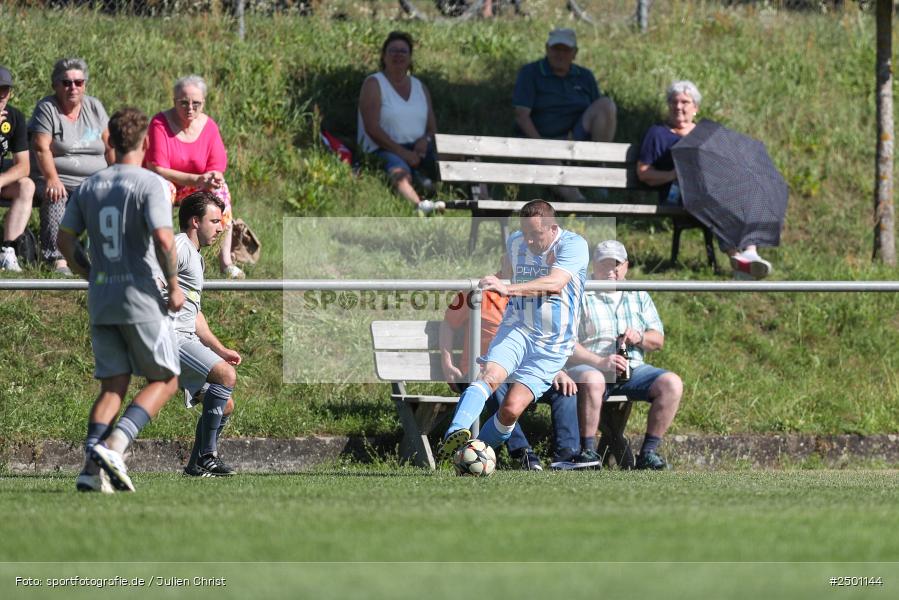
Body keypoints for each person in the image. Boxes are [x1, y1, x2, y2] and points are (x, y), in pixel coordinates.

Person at [57, 107, 184, 493]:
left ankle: (89, 470)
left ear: (108, 141)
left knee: (113, 386)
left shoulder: (90, 186)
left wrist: (90, 274)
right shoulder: (150, 184)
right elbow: (164, 240)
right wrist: (175, 284)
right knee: (166, 379)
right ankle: (115, 445)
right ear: (145, 143)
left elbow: (64, 240)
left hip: (103, 296)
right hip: (142, 296)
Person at [436, 200, 593, 465]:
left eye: (536, 234)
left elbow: (555, 284)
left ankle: (474, 455)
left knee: (510, 410)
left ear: (553, 228)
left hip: (552, 345)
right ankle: (456, 433)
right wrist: (497, 280)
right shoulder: (516, 241)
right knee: (490, 375)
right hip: (517, 328)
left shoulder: (574, 245)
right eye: (525, 232)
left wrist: (507, 288)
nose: (529, 240)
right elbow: (507, 270)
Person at [636, 80, 772, 279]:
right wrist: (674, 174)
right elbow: (643, 172)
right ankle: (740, 258)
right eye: (674, 101)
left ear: (696, 108)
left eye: (685, 102)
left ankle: (747, 254)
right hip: (677, 194)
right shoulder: (657, 134)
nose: (679, 106)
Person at [567, 240, 683, 470]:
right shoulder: (581, 292)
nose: (610, 271)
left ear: (626, 266)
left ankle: (648, 453)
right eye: (604, 265)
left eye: (616, 265)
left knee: (672, 383)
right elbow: (567, 344)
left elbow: (658, 339)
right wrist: (600, 361)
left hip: (633, 369)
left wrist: (639, 337)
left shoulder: (638, 293)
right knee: (594, 378)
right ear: (594, 266)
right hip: (591, 366)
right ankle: (588, 452)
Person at [440, 289, 584, 470]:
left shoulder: (534, 296)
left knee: (564, 388)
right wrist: (447, 365)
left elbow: (542, 341)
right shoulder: (478, 291)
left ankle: (567, 456)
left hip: (526, 372)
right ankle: (524, 454)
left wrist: (555, 369)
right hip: (485, 371)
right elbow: (448, 323)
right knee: (496, 385)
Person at [169, 191, 241, 477]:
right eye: (215, 221)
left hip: (185, 335)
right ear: (195, 221)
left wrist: (220, 350)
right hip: (169, 336)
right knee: (226, 376)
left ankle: (195, 466)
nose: (221, 227)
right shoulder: (178, 245)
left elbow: (195, 315)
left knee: (224, 405)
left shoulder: (196, 258)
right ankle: (209, 456)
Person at [144, 75, 245, 279]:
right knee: (165, 187)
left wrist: (211, 179)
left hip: (196, 186)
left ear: (203, 103)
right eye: (183, 102)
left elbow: (217, 167)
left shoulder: (209, 127)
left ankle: (225, 261)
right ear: (174, 101)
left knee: (221, 189)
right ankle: (164, 255)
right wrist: (197, 179)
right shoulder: (160, 123)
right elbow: (157, 168)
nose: (190, 108)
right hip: (168, 183)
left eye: (196, 103)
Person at [512, 28, 617, 202]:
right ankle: (581, 204)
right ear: (547, 49)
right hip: (541, 139)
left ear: (575, 53)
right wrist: (541, 146)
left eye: (565, 50)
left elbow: (598, 114)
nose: (560, 54)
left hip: (574, 137)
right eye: (556, 49)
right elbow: (521, 115)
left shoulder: (585, 76)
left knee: (606, 105)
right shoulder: (530, 73)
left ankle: (599, 170)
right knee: (547, 161)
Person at [30, 57, 113, 275]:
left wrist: (118, 174)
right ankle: (57, 259)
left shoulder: (94, 107)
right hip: (58, 179)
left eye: (79, 82)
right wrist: (51, 178)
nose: (73, 87)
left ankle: (104, 256)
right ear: (55, 85)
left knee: (114, 195)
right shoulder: (47, 108)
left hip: (95, 180)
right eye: (66, 82)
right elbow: (41, 148)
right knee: (56, 194)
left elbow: (110, 145)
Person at [358, 31, 443, 215]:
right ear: (383, 56)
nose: (398, 55)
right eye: (393, 51)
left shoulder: (420, 87)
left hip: (419, 148)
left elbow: (432, 129)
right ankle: (421, 207)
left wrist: (425, 141)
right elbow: (371, 128)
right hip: (383, 148)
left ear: (410, 57)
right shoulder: (373, 83)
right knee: (399, 174)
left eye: (403, 51)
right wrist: (403, 153)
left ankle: (479, 200)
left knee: (462, 157)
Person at [0, 65, 35, 273]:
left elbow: (24, 166)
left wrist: (2, 180)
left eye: (5, 90)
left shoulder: (15, 117)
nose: (1, 95)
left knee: (26, 186)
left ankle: (7, 250)